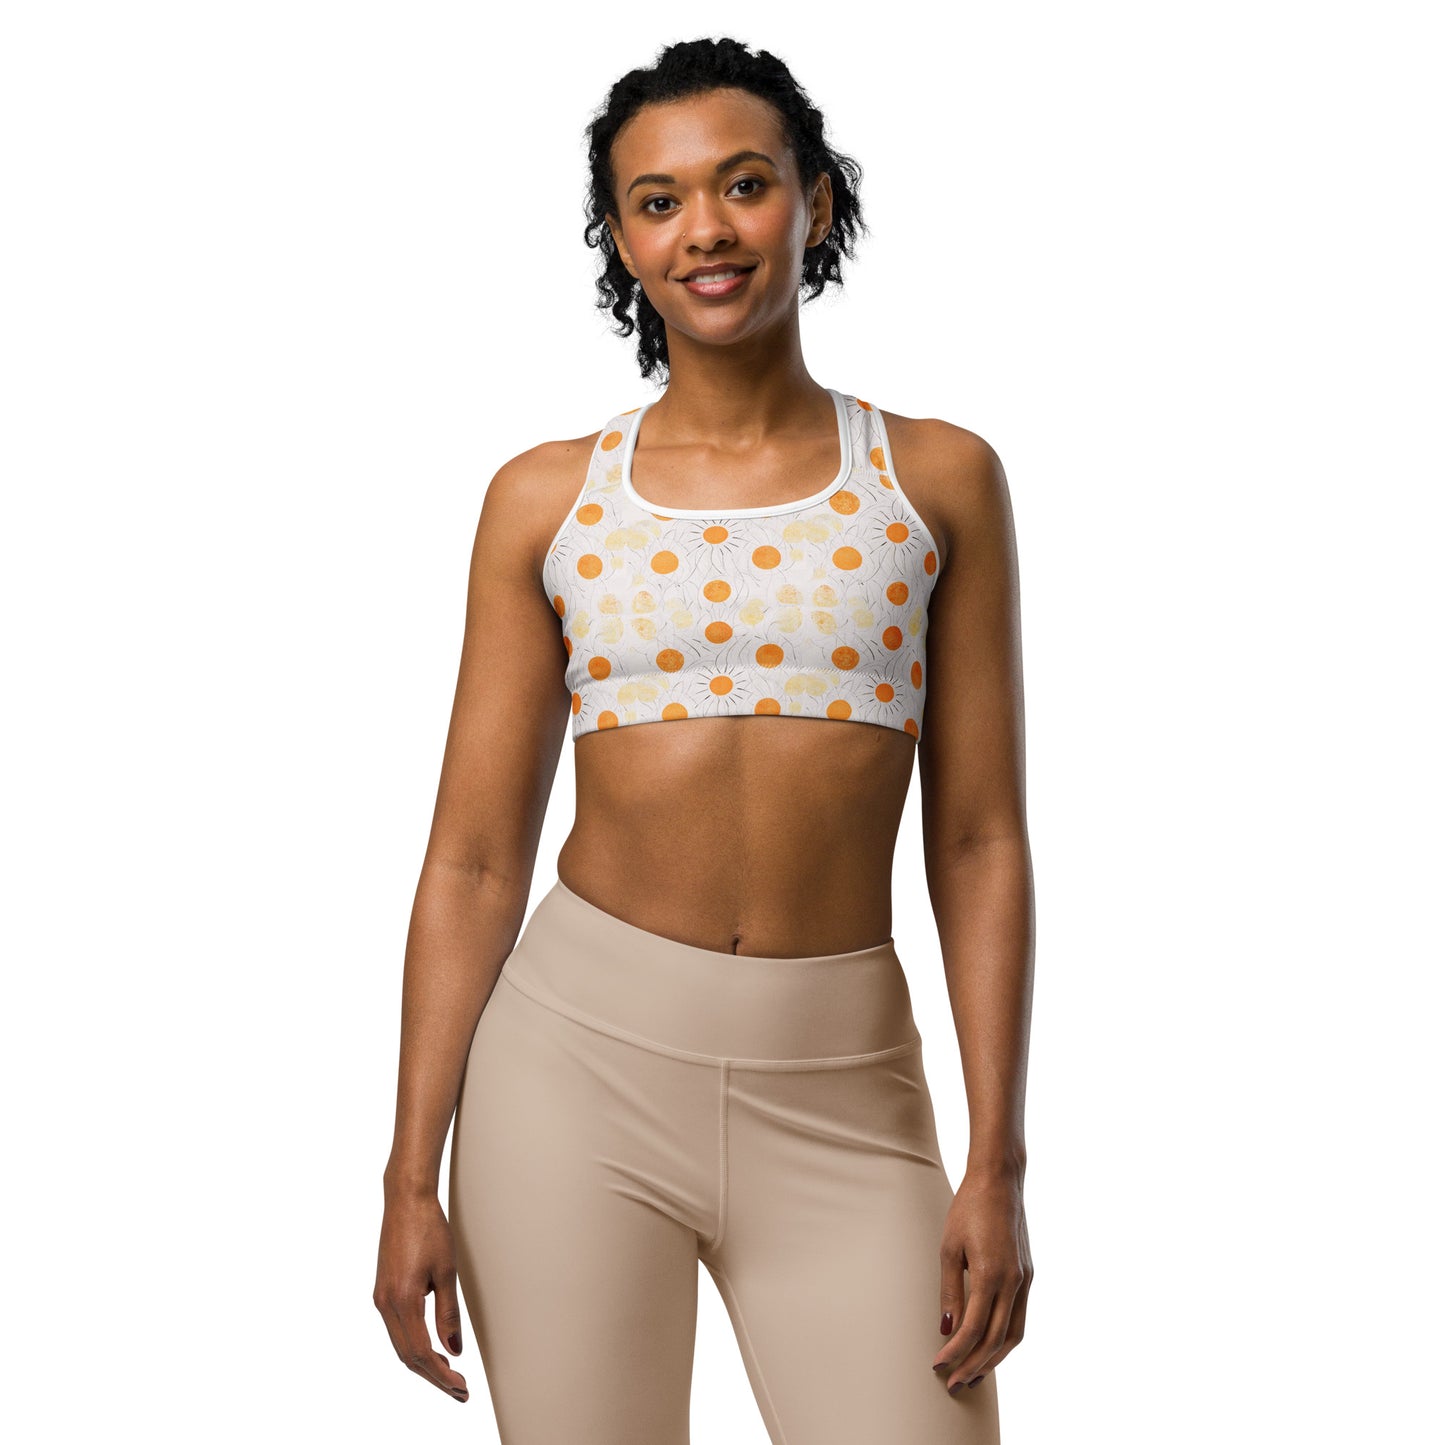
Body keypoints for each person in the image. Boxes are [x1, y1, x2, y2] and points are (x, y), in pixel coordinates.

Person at [373, 35, 1033, 1445]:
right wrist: (408, 1174)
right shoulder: (546, 500)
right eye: (658, 201)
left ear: (815, 202)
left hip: (843, 1090)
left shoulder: (937, 480)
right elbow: (475, 858)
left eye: (744, 184)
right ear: (621, 241)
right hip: (570, 1079)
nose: (706, 230)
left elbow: (978, 840)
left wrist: (996, 1160)